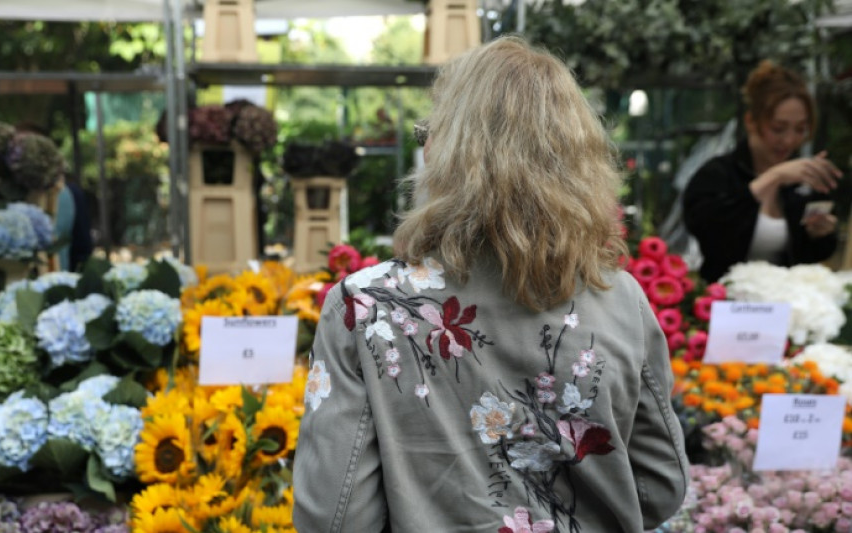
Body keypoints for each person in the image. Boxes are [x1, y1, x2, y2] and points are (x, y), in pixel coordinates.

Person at [292, 36, 688, 532]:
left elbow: (335, 516)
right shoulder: (618, 297)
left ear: (447, 152)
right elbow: (660, 488)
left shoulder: (364, 308)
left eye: (428, 132)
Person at [683, 60, 843, 283]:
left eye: (800, 129)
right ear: (751, 121)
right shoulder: (717, 175)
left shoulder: (802, 182)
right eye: (778, 129)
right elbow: (709, 231)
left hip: (787, 303)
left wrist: (820, 234)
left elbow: (810, 257)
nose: (788, 140)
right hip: (725, 304)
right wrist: (773, 177)